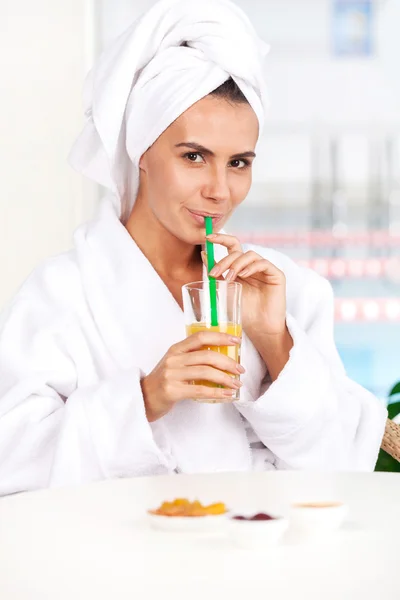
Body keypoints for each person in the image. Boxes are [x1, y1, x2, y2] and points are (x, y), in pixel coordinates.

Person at [0, 0, 387, 495]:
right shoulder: (62, 295)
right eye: (194, 156)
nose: (220, 190)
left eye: (239, 163)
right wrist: (146, 397)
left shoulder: (288, 291)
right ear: (141, 153)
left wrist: (275, 342)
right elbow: (10, 464)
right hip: (116, 567)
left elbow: (343, 470)